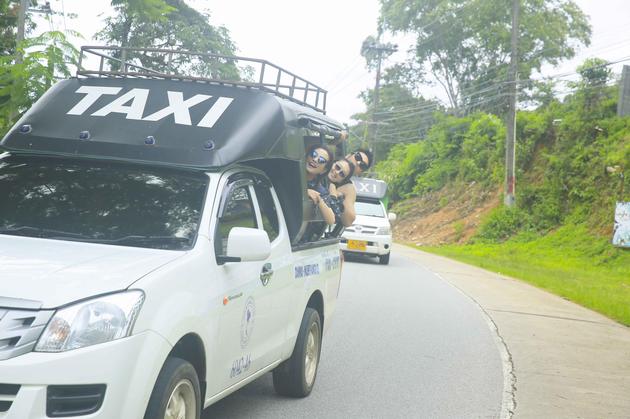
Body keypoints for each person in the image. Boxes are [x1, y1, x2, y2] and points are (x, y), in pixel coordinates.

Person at [333, 148, 374, 227]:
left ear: (360, 172)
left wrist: (341, 198)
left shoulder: (348, 188)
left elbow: (349, 221)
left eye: (362, 165)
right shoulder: (324, 161)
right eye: (358, 157)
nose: (358, 163)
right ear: (349, 155)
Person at [310, 158, 354, 225]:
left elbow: (335, 217)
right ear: (332, 163)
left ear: (341, 181)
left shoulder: (332, 189)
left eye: (342, 174)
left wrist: (333, 195)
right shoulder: (315, 170)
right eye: (337, 167)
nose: (337, 172)